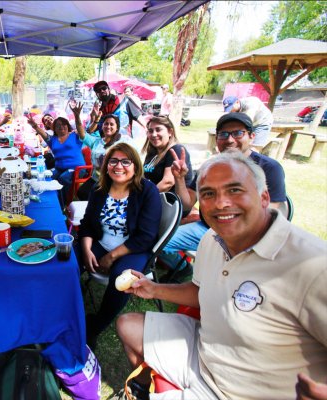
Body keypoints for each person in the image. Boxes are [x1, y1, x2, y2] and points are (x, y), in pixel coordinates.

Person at [116, 151, 327, 400]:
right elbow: (200, 290)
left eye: (235, 190)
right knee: (127, 324)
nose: (220, 203)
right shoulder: (212, 238)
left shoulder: (313, 264)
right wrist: (153, 289)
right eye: (208, 194)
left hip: (240, 391)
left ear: (264, 197)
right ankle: (143, 388)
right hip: (205, 350)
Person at [161, 112, 287, 273]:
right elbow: (187, 203)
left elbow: (275, 212)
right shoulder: (210, 167)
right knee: (158, 239)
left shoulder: (269, 167)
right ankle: (187, 271)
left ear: (252, 136)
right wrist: (179, 179)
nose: (230, 139)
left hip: (247, 234)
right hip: (206, 229)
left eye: (238, 133)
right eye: (224, 134)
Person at [79, 142, 161, 350]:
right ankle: (67, 310)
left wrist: (112, 256)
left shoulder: (147, 191)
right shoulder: (99, 189)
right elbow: (87, 223)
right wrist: (87, 249)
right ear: (106, 165)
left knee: (121, 277)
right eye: (113, 161)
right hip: (100, 242)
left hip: (133, 248)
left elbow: (145, 236)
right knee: (70, 259)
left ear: (135, 166)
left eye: (126, 161)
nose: (119, 166)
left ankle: (95, 326)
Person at [29, 102, 86, 203]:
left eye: (64, 124)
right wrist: (35, 126)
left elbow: (80, 128)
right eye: (58, 125)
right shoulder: (53, 140)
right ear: (54, 128)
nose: (61, 127)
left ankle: (62, 204)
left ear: (68, 126)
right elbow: (44, 134)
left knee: (63, 179)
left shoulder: (75, 136)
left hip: (76, 168)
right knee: (48, 177)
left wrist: (77, 116)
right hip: (60, 168)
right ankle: (49, 201)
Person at [77, 114, 132, 200]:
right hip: (96, 179)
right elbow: (82, 134)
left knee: (99, 199)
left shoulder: (123, 141)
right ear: (102, 126)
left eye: (111, 124)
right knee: (82, 193)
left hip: (113, 181)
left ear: (117, 127)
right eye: (106, 124)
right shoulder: (96, 142)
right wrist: (77, 116)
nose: (108, 126)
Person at [141, 116, 193, 193]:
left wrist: (146, 196)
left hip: (170, 201)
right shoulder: (152, 152)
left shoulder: (176, 150)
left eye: (158, 130)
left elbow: (168, 183)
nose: (154, 134)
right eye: (150, 131)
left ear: (170, 132)